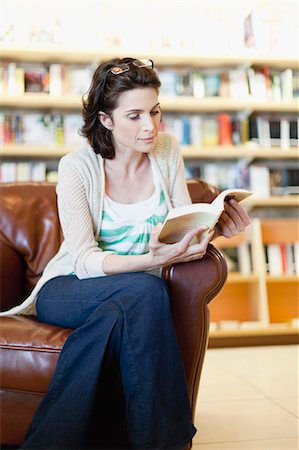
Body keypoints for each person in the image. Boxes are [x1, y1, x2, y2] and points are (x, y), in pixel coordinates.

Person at [15, 57, 250, 449]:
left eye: (155, 112)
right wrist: (152, 261)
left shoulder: (165, 150)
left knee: (124, 309)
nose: (150, 127)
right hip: (70, 287)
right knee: (144, 289)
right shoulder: (76, 167)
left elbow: (183, 222)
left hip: (133, 297)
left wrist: (214, 229)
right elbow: (85, 260)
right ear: (106, 120)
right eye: (135, 115)